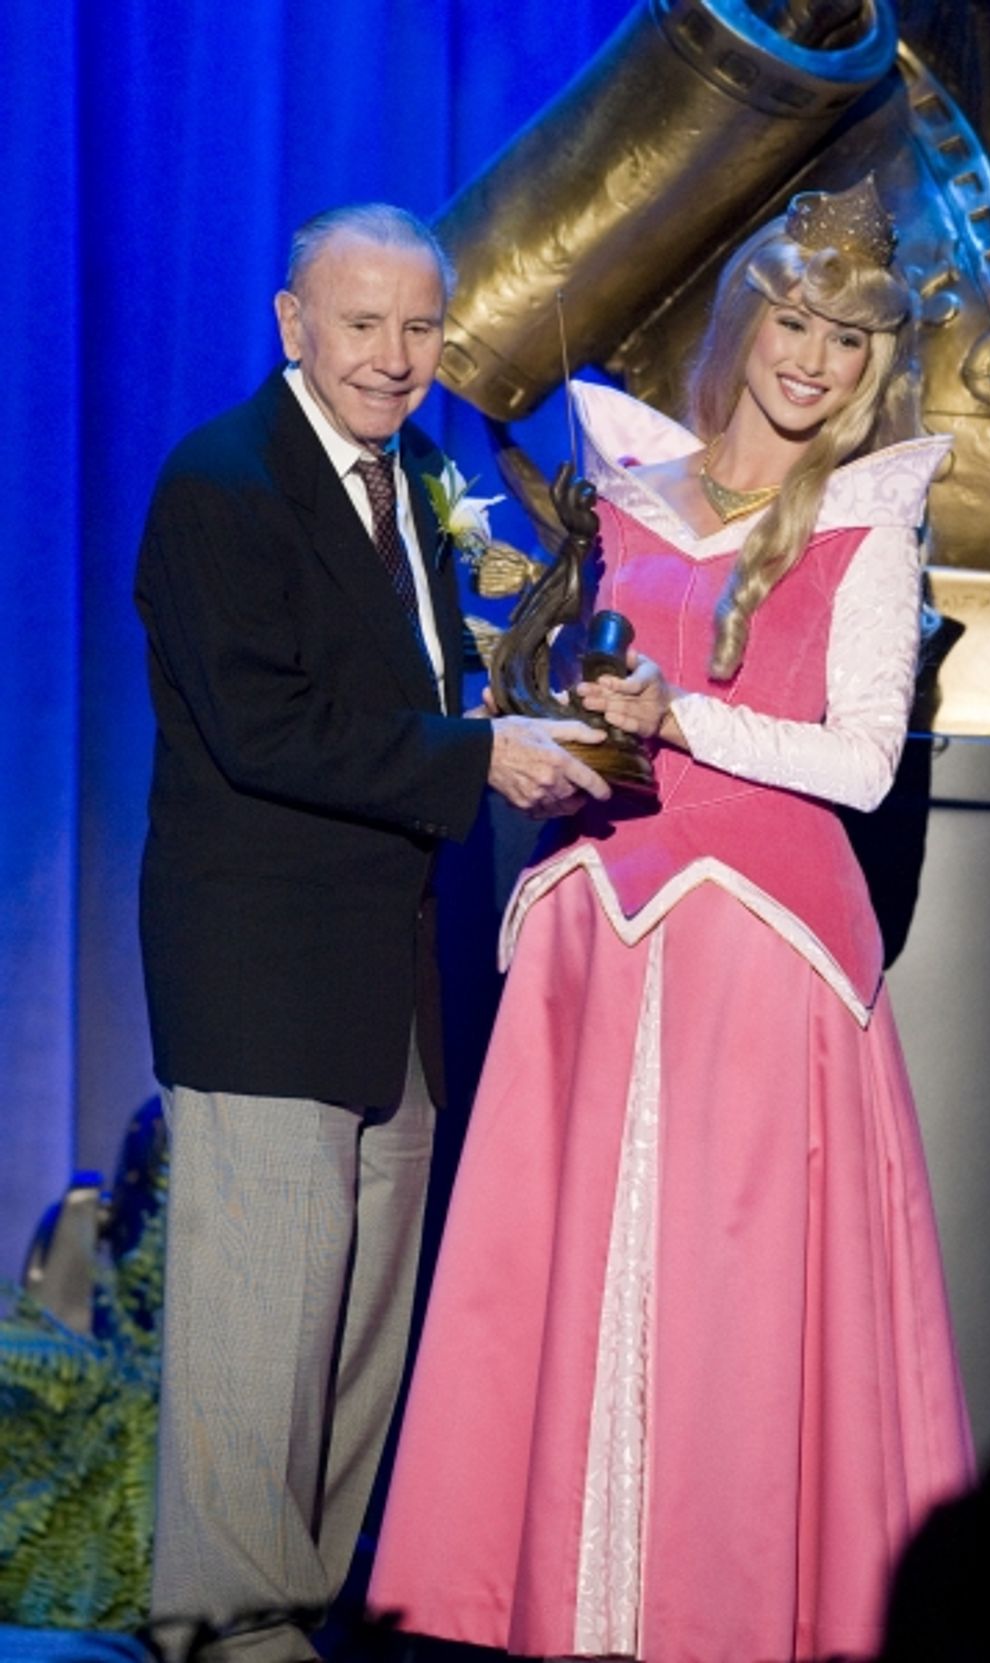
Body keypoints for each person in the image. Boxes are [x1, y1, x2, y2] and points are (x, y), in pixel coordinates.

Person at [366, 176, 975, 1663]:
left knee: (736, 1294)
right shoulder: (632, 486)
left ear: (873, 365)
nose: (815, 358)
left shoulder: (869, 525)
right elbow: (612, 716)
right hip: (605, 935)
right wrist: (570, 745)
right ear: (749, 320)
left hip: (760, 951)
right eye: (797, 320)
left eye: (849, 339)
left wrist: (680, 715)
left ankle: (723, 1612)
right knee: (563, 1290)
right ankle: (570, 1610)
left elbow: (860, 761)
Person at [135, 201, 609, 1663]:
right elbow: (266, 724)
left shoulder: (414, 475)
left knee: (350, 1356)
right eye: (362, 324)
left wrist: (527, 716)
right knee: (252, 1354)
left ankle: (294, 1625)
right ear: (293, 325)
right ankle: (224, 1634)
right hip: (264, 983)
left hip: (391, 993)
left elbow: (414, 688)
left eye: (418, 328)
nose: (394, 358)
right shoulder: (222, 483)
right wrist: (479, 760)